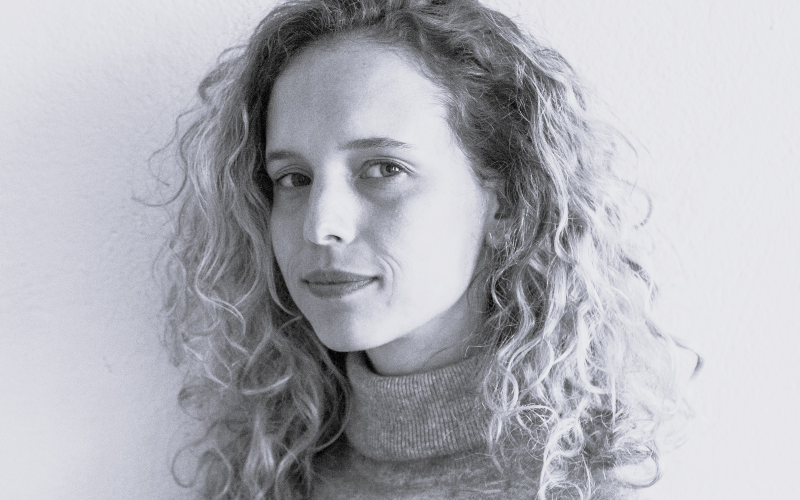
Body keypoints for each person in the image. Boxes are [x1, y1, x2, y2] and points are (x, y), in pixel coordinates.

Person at [160, 0, 698, 498]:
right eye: (294, 178)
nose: (321, 225)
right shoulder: (267, 471)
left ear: (506, 200)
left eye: (384, 170)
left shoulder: (582, 485)